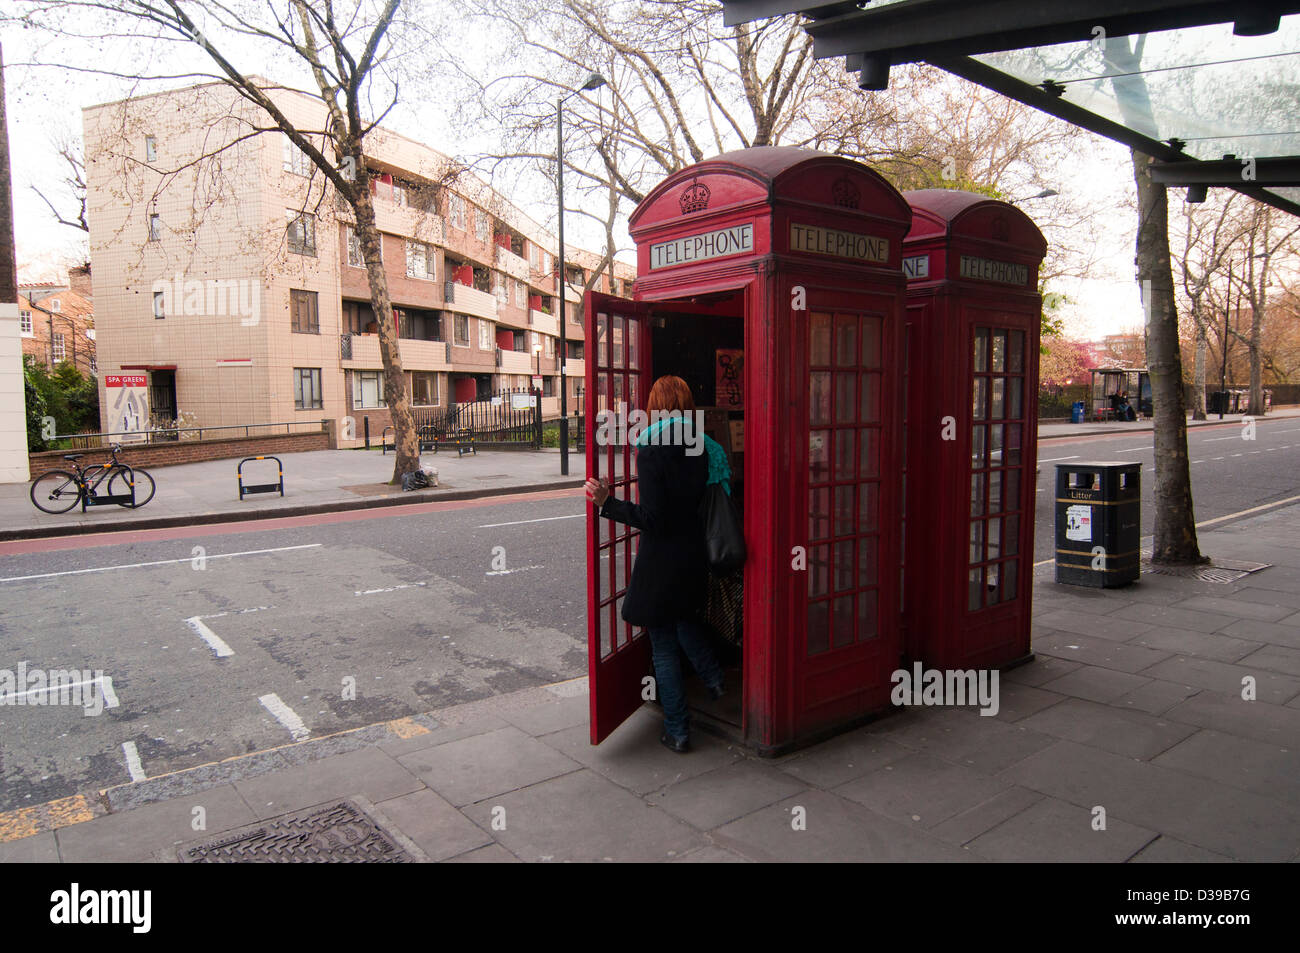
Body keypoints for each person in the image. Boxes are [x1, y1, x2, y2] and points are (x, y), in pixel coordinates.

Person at [584, 375, 727, 754]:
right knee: (684, 621)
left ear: (655, 405)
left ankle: (678, 730)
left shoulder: (650, 449)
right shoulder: (703, 446)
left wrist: (607, 504)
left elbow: (653, 518)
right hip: (693, 554)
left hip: (661, 560)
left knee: (662, 643)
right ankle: (714, 680)